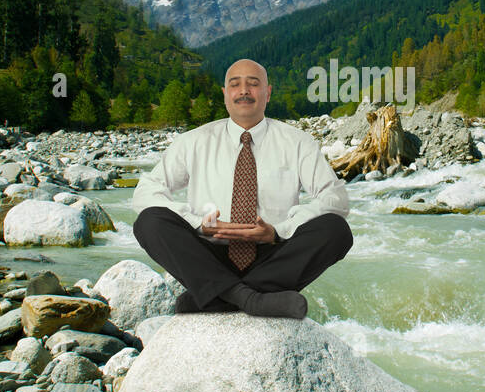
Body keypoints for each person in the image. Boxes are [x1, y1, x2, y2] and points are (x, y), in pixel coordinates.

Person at [131, 58, 352, 319]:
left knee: (336, 231)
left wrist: (277, 232)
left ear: (267, 93)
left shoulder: (297, 142)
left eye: (253, 84)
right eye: (235, 84)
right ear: (225, 95)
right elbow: (145, 192)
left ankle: (215, 296)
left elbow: (335, 197)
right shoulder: (193, 141)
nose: (244, 91)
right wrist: (197, 224)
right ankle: (250, 298)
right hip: (207, 255)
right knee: (149, 222)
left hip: (273, 257)